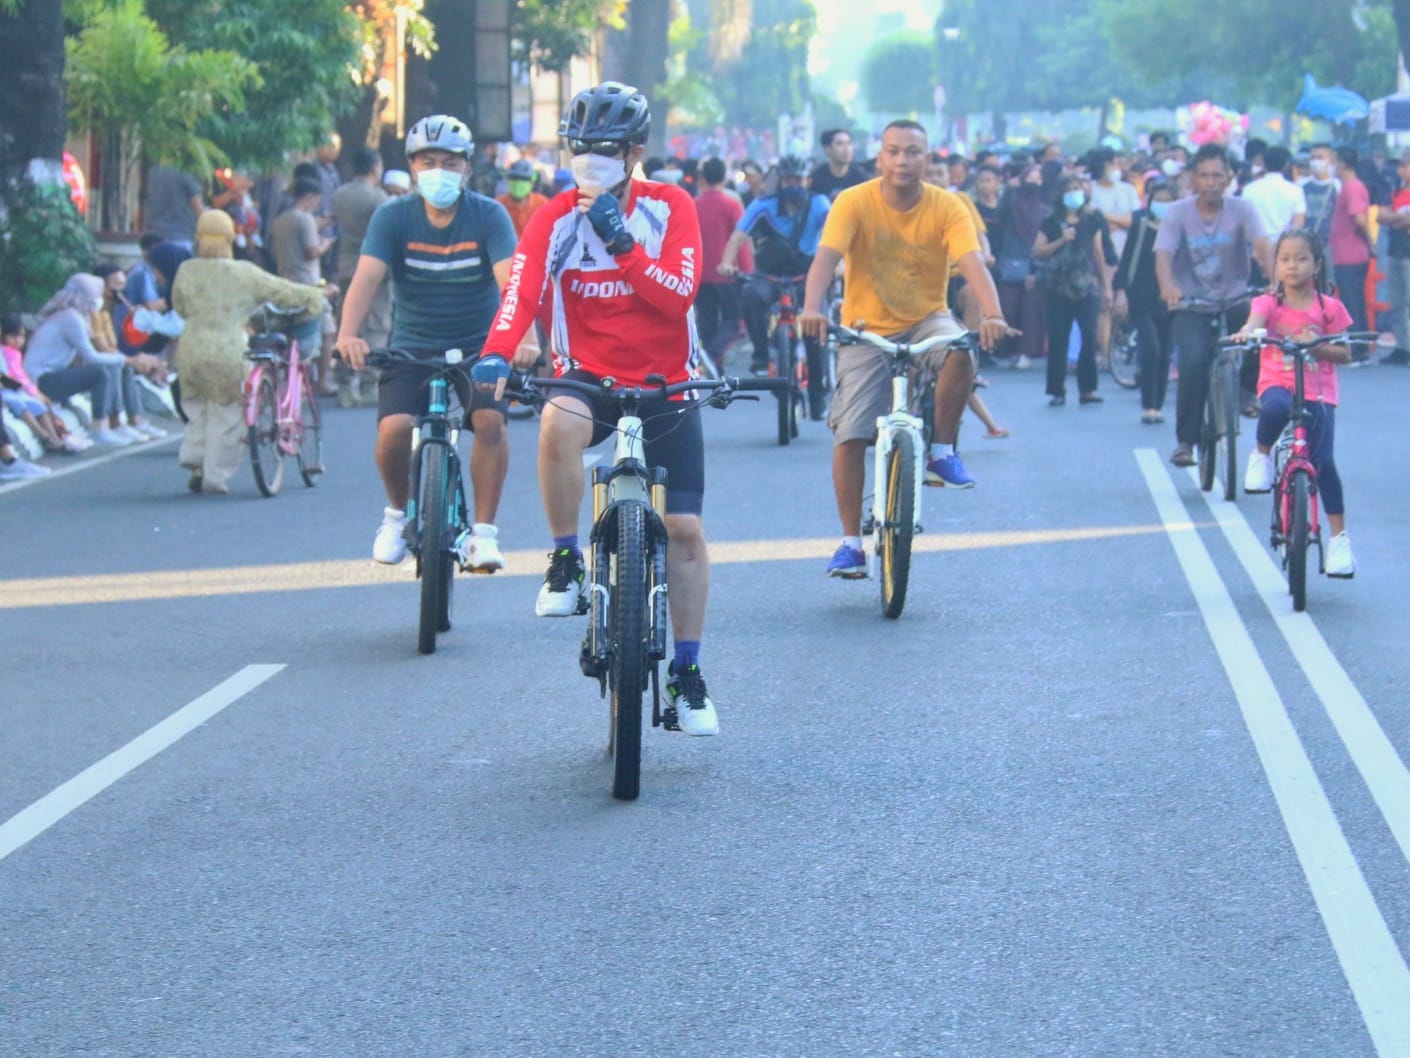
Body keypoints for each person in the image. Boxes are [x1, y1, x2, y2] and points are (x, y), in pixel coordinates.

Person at [476, 81, 720, 736]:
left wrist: (622, 243)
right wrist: (496, 353)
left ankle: (688, 671)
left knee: (685, 530)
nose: (591, 160)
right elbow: (522, 291)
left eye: (607, 150)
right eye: (580, 148)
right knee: (557, 420)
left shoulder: (671, 207)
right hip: (587, 376)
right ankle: (565, 559)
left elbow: (676, 296)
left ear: (635, 152)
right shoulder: (553, 217)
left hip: (666, 382)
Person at [798, 119, 1010, 578]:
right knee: (851, 435)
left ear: (927, 160)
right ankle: (851, 544)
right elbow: (826, 258)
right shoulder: (853, 201)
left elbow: (973, 262)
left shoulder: (947, 205)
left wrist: (992, 315)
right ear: (880, 158)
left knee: (960, 349)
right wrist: (812, 308)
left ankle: (942, 451)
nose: (902, 160)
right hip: (865, 328)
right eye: (893, 151)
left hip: (926, 318)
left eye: (913, 152)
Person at [335, 114, 520, 571]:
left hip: (479, 345)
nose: (439, 171)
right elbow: (367, 279)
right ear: (413, 168)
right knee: (394, 429)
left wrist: (524, 339)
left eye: (450, 162)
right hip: (412, 343)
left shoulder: (489, 215)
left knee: (490, 423)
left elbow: (511, 283)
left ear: (467, 167)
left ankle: (483, 534)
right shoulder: (392, 216)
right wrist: (347, 334)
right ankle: (396, 516)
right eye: (428, 161)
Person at [171, 210, 328, 494]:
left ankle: (194, 459)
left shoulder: (186, 270)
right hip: (229, 349)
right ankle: (214, 476)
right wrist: (315, 295)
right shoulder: (243, 272)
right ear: (230, 237)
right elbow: (282, 291)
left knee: (197, 408)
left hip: (191, 347)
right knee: (228, 414)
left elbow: (180, 307)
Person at [1236, 229, 1357, 577]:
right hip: (1278, 381)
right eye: (1285, 259)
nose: (1292, 265)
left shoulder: (1330, 308)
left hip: (1319, 391)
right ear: (1276, 265)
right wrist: (1248, 331)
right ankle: (1261, 454)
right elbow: (1255, 322)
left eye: (1301, 258)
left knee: (1324, 462)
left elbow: (1345, 354)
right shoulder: (1268, 303)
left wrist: (1316, 344)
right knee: (1274, 408)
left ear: (1316, 265)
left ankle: (1338, 540)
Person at [1156, 143, 1272, 467]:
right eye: (1204, 176)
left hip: (1234, 297)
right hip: (1190, 302)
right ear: (1193, 179)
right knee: (1193, 363)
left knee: (1260, 335)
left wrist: (1275, 282)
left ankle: (1247, 390)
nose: (1210, 182)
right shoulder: (1177, 212)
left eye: (1217, 176)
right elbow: (1163, 254)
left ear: (1229, 178)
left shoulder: (1242, 209)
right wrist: (1168, 287)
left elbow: (1262, 245)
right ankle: (1186, 441)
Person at [717, 155, 831, 417]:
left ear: (807, 181)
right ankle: (760, 354)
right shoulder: (763, 205)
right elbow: (738, 236)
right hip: (769, 274)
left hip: (807, 275)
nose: (794, 185)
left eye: (799, 180)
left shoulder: (819, 204)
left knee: (816, 330)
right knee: (750, 294)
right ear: (780, 182)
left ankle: (818, 395)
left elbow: (833, 234)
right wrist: (726, 262)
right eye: (789, 180)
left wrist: (838, 264)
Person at [23, 275, 164, 446]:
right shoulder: (69, 318)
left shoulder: (75, 316)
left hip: (53, 375)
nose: (99, 299)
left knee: (118, 366)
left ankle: (129, 421)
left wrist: (127, 361)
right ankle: (100, 428)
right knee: (100, 372)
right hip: (41, 381)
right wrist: (132, 359)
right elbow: (91, 356)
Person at [1033, 175, 1115, 406]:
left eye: (1078, 188)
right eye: (1070, 189)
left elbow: (1098, 253)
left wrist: (1106, 286)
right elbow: (1038, 250)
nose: (1075, 193)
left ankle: (1087, 389)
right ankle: (1057, 390)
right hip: (1058, 287)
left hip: (1086, 285)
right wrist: (1061, 240)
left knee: (1089, 335)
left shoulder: (1092, 218)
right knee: (1058, 339)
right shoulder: (1051, 220)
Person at [1113, 180, 1176, 423]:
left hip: (1170, 297)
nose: (1163, 205)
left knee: (1165, 351)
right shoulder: (1140, 226)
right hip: (1140, 295)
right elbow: (1127, 260)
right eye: (1159, 200)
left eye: (1168, 201)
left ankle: (1157, 404)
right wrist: (1120, 292)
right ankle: (1148, 404)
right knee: (1151, 348)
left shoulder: (1179, 229)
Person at [332, 147, 390, 407]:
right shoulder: (379, 197)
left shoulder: (339, 195)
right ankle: (369, 384)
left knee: (346, 322)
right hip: (374, 266)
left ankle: (344, 385)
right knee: (376, 324)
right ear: (375, 167)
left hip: (345, 264)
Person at [271, 176, 337, 395]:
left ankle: (292, 380)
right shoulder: (305, 219)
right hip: (308, 285)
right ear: (310, 197)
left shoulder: (281, 219)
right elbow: (311, 252)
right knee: (327, 331)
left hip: (285, 282)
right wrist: (325, 244)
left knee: (292, 334)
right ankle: (322, 382)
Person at [693, 155, 751, 372]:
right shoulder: (732, 204)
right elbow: (741, 241)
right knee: (733, 322)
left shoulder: (694, 204)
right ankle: (711, 357)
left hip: (700, 274)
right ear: (724, 178)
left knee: (707, 324)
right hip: (728, 274)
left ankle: (713, 370)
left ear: (702, 178)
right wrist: (747, 271)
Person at [992, 164, 1048, 370]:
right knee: (1008, 307)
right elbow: (1000, 216)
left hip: (1034, 264)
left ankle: (1025, 352)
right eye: (1030, 178)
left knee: (1030, 311)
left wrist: (1037, 267)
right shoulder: (1011, 204)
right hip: (1010, 261)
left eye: (1037, 178)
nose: (1034, 182)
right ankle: (1006, 350)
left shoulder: (1044, 209)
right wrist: (1009, 190)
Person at [2, 314, 83, 453]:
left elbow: (20, 377)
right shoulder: (6, 352)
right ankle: (45, 437)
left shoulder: (14, 353)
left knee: (39, 407)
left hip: (16, 389)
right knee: (22, 406)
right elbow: (14, 377)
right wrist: (33, 392)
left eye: (21, 336)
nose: (18, 340)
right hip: (8, 390)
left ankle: (55, 439)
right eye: (14, 336)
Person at [1329, 146, 1372, 341]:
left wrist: (1370, 241)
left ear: (1343, 164)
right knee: (1353, 301)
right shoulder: (1347, 187)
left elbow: (1359, 219)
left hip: (1351, 254)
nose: (1332, 166)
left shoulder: (1352, 187)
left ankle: (1357, 346)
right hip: (1345, 254)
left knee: (1352, 303)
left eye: (1335, 162)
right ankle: (1360, 344)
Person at [1378, 148, 1410, 365]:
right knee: (1397, 303)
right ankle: (1402, 347)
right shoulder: (1396, 190)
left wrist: (1395, 219)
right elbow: (1381, 215)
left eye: (1404, 165)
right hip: (1394, 251)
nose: (1400, 170)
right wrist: (1400, 219)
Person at [1241, 145, 1306, 243]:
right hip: (1284, 246)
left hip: (1255, 245)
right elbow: (1298, 224)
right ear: (1286, 165)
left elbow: (1243, 221)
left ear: (1264, 164)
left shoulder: (1249, 189)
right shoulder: (1295, 191)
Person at [142, 164, 205, 250]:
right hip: (181, 237)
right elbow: (199, 209)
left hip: (156, 238)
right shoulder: (186, 171)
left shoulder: (153, 171)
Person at [808, 130, 867, 203]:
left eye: (849, 143)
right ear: (827, 149)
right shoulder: (816, 178)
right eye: (839, 144)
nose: (846, 149)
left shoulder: (861, 179)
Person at [496, 158, 549, 237]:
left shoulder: (542, 203)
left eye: (523, 179)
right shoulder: (498, 205)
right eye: (515, 178)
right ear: (508, 180)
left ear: (532, 182)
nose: (518, 183)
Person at [1300, 143, 1339, 247]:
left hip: (1330, 244)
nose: (1315, 161)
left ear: (1331, 160)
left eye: (1320, 158)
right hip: (1306, 242)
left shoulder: (1338, 186)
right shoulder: (1301, 185)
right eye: (1312, 158)